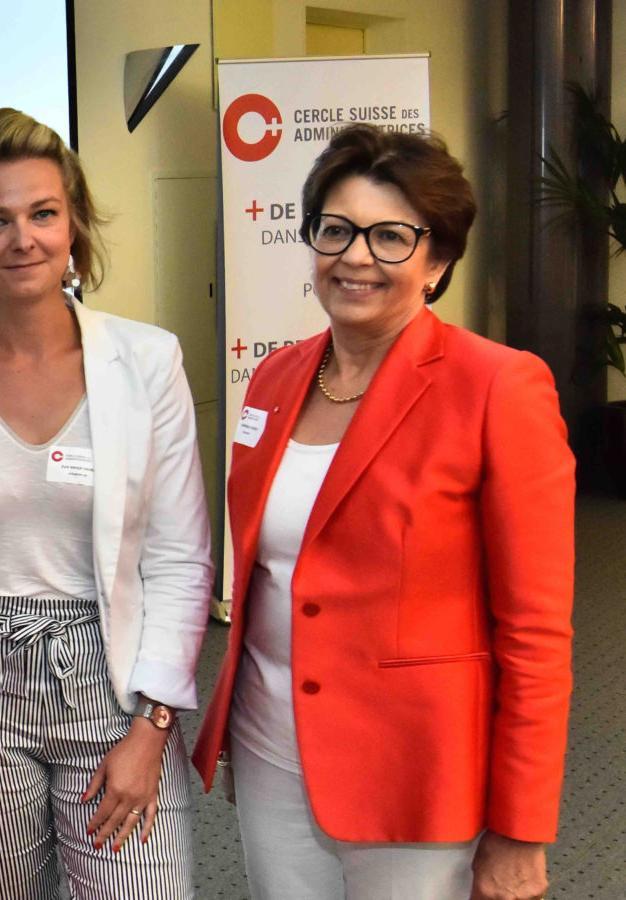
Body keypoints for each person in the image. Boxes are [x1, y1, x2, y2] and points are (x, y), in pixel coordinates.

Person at [191, 124, 573, 900]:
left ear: (437, 262)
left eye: (391, 237)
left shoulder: (498, 387)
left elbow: (536, 633)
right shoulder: (276, 377)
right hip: (272, 749)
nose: (356, 256)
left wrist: (522, 827)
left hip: (416, 773)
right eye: (336, 230)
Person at [0, 108, 213, 899]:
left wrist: (153, 727)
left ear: (73, 227)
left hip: (112, 673)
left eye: (42, 214)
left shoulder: (147, 359)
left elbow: (180, 557)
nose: (21, 239)